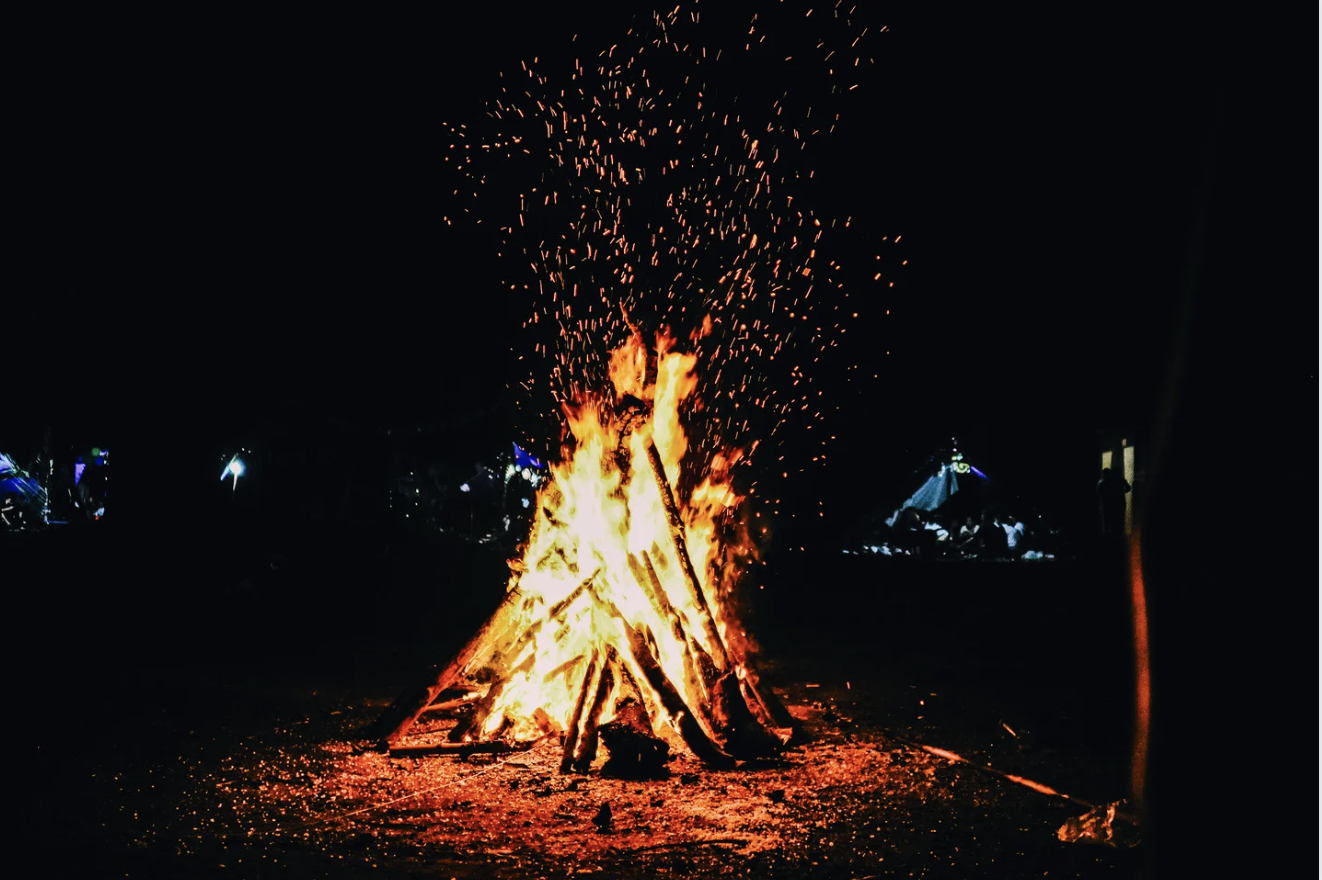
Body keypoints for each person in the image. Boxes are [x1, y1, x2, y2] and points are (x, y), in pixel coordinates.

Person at [1097, 468, 1131, 537]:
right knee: (1117, 521)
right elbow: (1128, 488)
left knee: (1107, 522)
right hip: (1118, 504)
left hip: (1106, 505)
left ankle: (1107, 537)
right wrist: (1122, 492)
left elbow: (1099, 493)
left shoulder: (1102, 483)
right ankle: (1118, 536)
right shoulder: (1120, 480)